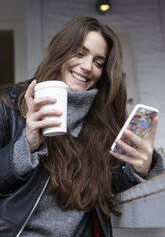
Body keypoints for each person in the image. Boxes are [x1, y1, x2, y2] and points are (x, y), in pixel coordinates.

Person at [0, 16, 164, 237]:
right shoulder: (9, 105)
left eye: (98, 63)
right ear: (61, 51)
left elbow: (109, 186)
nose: (87, 67)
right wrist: (27, 145)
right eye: (79, 53)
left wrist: (140, 168)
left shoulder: (101, 124)